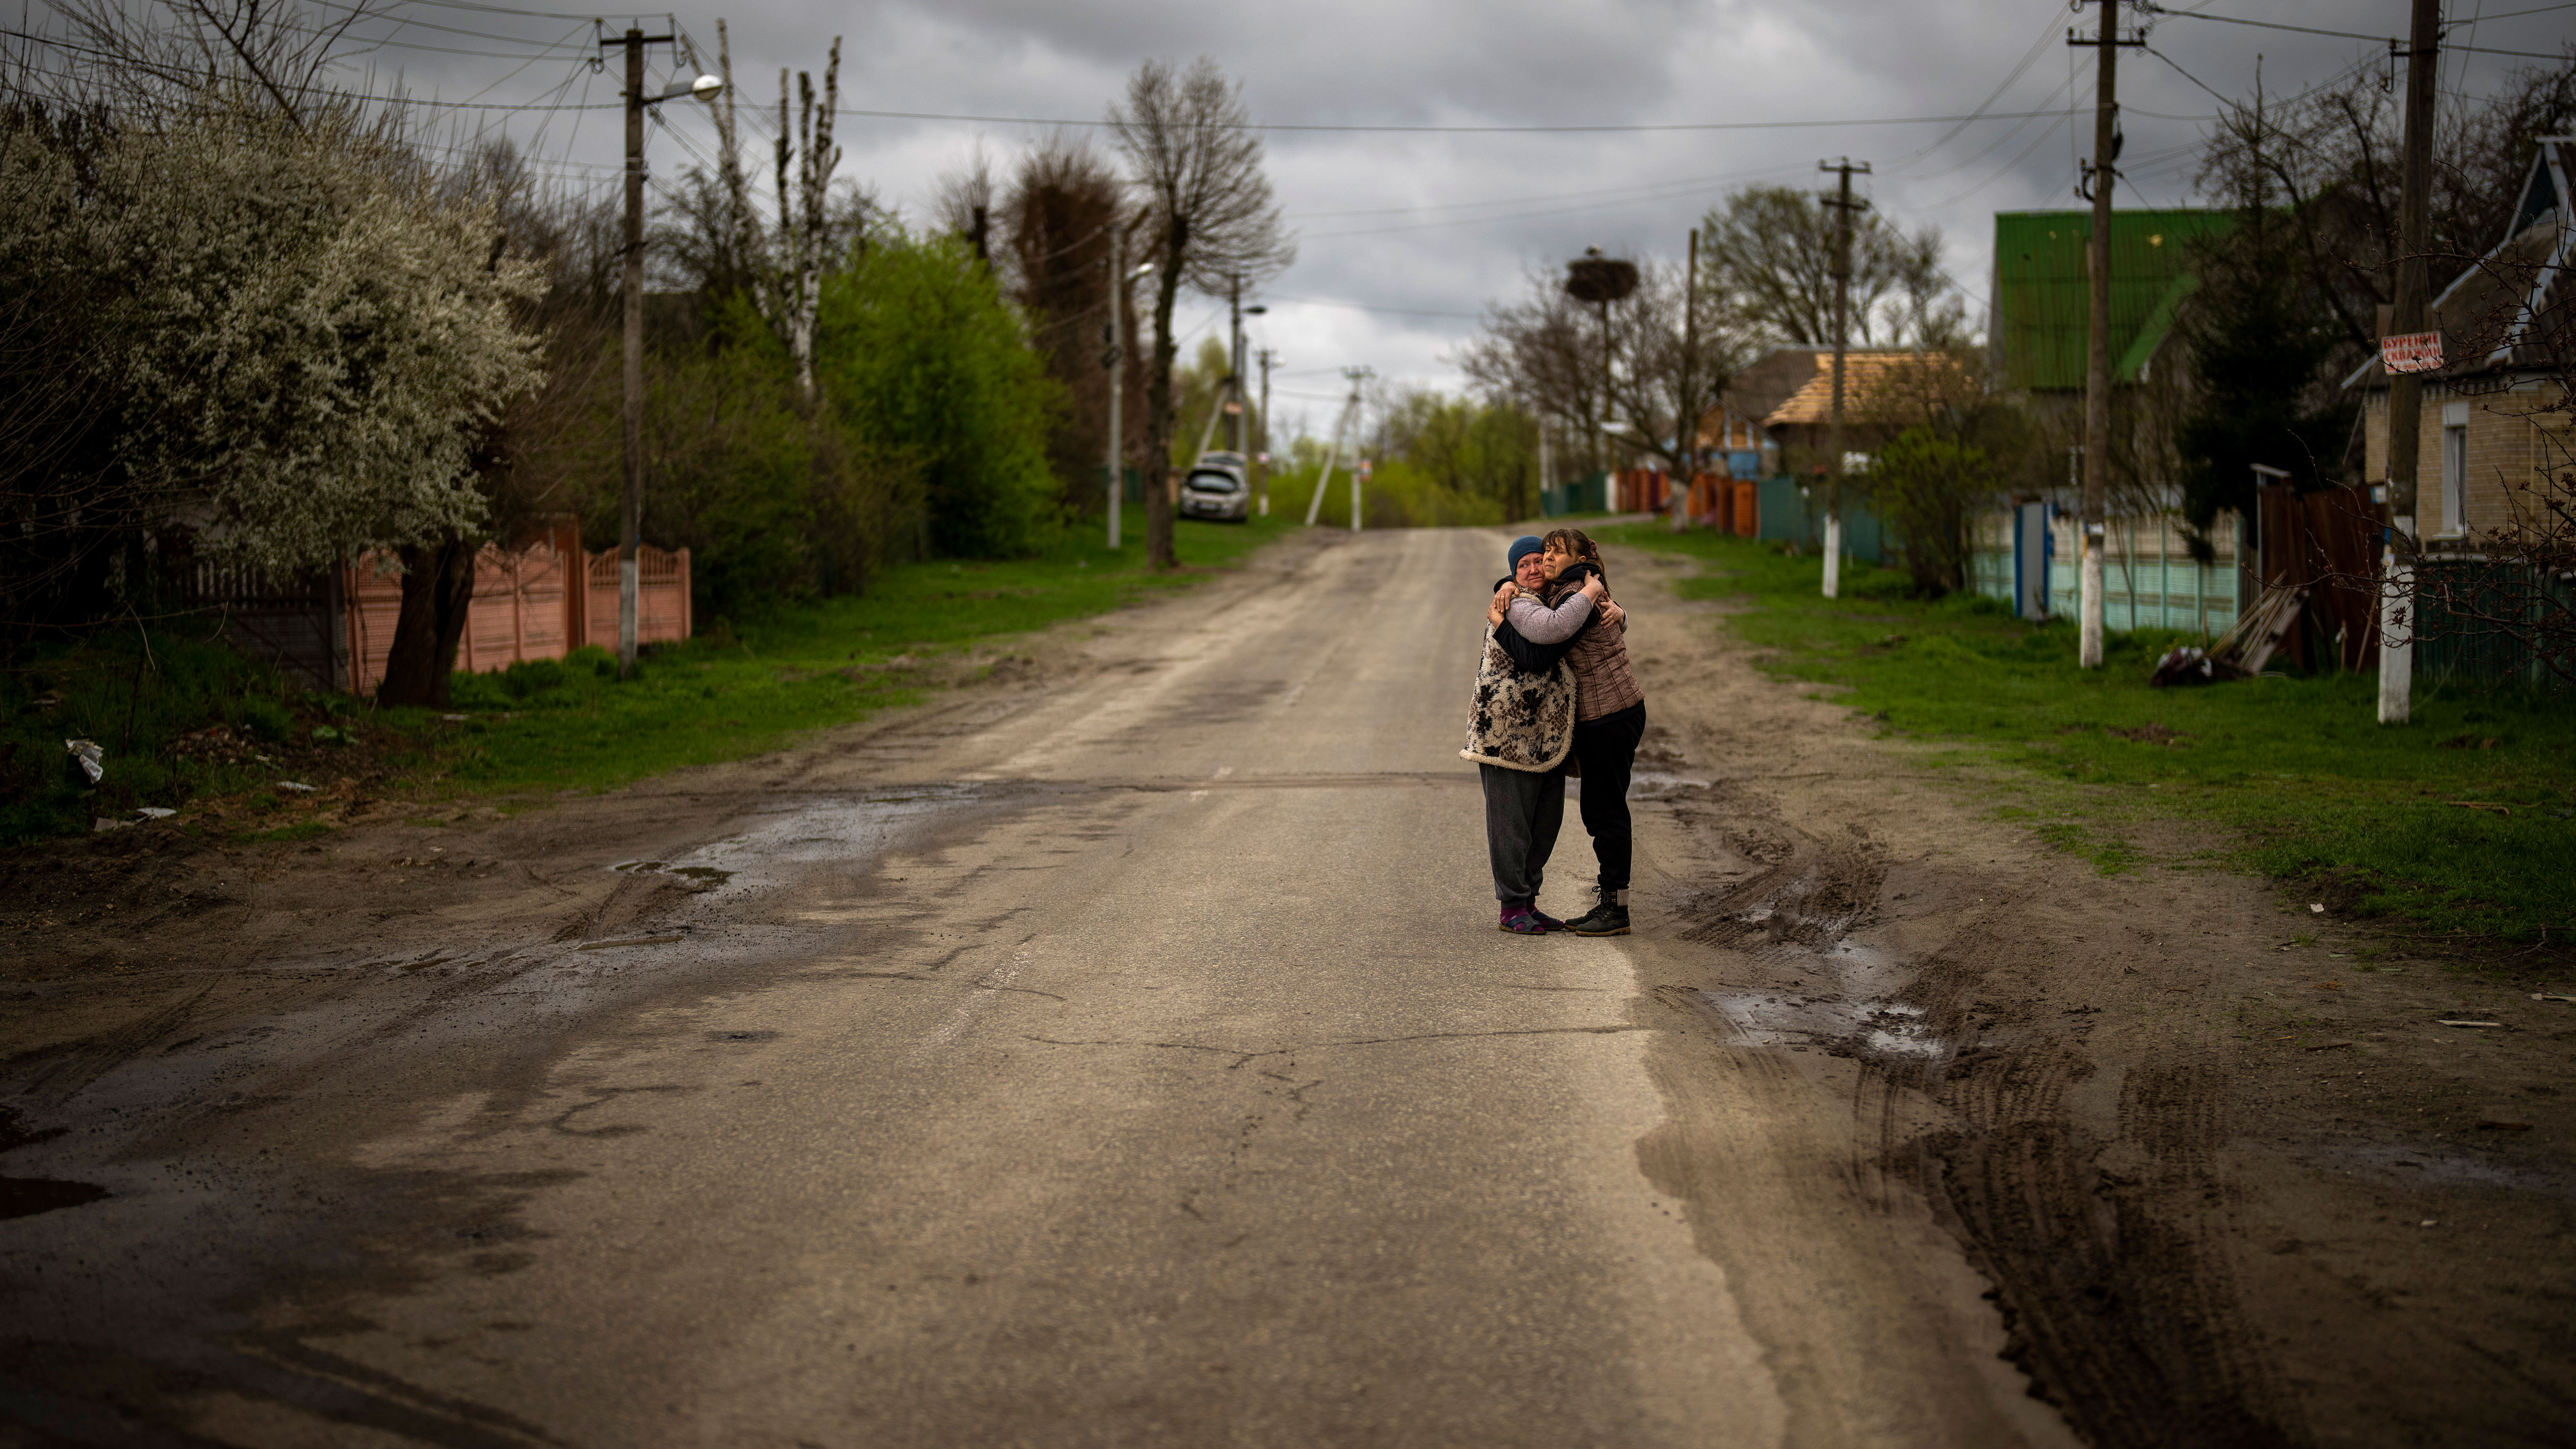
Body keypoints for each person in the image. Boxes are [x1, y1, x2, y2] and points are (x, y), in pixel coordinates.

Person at [1489, 527, 1644, 936]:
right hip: (1585, 719)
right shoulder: (1559, 593)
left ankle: (1615, 908)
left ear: (1576, 559)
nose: (1542, 563)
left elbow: (1550, 637)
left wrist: (1599, 597)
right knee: (1595, 812)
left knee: (1603, 812)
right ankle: (1596, 903)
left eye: (1548, 556)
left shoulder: (1574, 593)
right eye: (1532, 560)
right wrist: (1506, 586)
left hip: (1608, 714)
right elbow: (1544, 638)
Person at [1460, 535, 1600, 934]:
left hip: (1543, 738)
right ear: (1515, 574)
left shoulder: (1549, 598)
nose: (1535, 568)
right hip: (1505, 735)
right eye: (1524, 565)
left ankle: (1529, 901)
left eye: (1540, 560)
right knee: (1511, 825)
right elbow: (1534, 658)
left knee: (1544, 823)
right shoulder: (1517, 604)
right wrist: (1508, 589)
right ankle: (1512, 907)